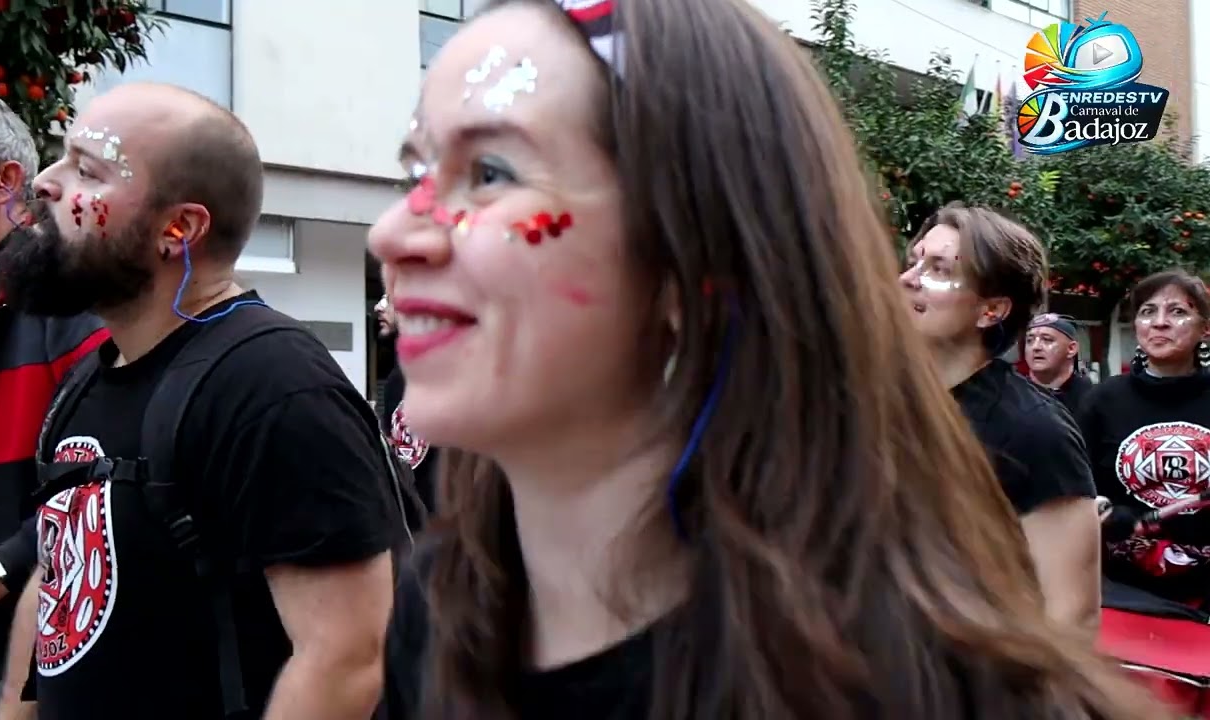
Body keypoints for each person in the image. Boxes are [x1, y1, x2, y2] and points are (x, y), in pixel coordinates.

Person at [370, 1, 1159, 718]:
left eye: (490, 172)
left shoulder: (917, 681)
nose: (393, 234)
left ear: (695, 253)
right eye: (416, 171)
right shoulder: (443, 599)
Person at [0, 82, 399, 720]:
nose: (46, 182)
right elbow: (56, 580)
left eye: (86, 169)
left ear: (178, 228)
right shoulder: (92, 377)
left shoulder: (274, 386)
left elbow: (345, 659)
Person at [0, 87, 107, 712]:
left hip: (60, 678)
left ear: (6, 180)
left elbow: (109, 477)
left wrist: (1, 567)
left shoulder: (62, 293)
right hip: (3, 668)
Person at [901, 203, 1101, 630]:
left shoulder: (1035, 430)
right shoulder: (876, 399)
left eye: (937, 268)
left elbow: (1071, 615)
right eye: (914, 261)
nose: (908, 279)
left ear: (991, 310)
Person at [1078, 269, 1210, 606]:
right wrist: (1105, 513)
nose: (1159, 322)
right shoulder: (1102, 401)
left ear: (1204, 329)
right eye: (1147, 311)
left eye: (1178, 311)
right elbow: (1074, 488)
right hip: (1123, 593)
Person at [375, 295, 438, 516]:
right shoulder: (404, 374)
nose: (379, 307)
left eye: (389, 300)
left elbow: (410, 461)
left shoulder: (413, 376)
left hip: (427, 517)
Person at [1025, 312, 1094, 419]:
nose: (1036, 347)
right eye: (1029, 340)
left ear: (1071, 349)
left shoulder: (1092, 399)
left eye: (1047, 340)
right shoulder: (1012, 396)